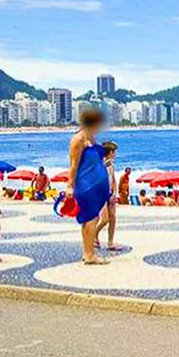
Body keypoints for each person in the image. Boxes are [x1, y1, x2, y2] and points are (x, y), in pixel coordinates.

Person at [67, 108, 112, 265]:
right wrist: (70, 186)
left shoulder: (91, 137)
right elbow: (73, 165)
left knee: (90, 218)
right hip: (86, 185)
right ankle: (89, 253)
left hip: (95, 185)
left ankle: (87, 252)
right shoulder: (78, 139)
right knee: (91, 218)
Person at [93, 141, 124, 251]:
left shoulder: (111, 164)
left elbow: (113, 179)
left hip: (110, 194)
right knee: (105, 219)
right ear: (110, 152)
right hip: (102, 194)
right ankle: (93, 235)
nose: (116, 154)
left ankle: (110, 242)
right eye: (114, 152)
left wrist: (114, 193)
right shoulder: (101, 165)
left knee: (113, 218)